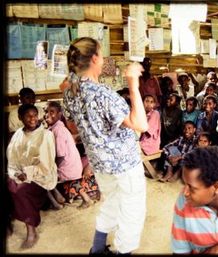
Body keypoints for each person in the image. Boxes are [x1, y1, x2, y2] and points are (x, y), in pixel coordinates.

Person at [63, 37, 148, 255]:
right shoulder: (103, 94)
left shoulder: (70, 91)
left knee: (111, 203)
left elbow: (73, 126)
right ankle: (122, 252)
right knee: (132, 213)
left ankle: (98, 249)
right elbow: (141, 124)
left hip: (100, 164)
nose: (103, 60)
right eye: (101, 55)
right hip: (124, 166)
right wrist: (133, 84)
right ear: (94, 59)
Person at [7, 103, 58, 249]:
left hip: (42, 176)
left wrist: (27, 173)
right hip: (23, 173)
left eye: (35, 115)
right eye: (28, 116)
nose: (32, 119)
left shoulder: (46, 135)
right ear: (20, 118)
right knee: (10, 185)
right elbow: (13, 158)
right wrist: (16, 173)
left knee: (20, 191)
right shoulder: (18, 135)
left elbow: (47, 164)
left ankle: (31, 231)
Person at [45, 101, 96, 208]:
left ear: (59, 114)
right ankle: (84, 199)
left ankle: (59, 202)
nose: (48, 114)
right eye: (46, 111)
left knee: (45, 177)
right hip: (71, 164)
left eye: (52, 112)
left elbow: (60, 153)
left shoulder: (58, 130)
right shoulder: (56, 128)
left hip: (67, 165)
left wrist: (49, 160)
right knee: (72, 183)